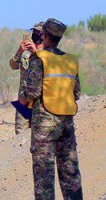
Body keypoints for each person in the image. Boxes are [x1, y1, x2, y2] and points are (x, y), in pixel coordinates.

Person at [19, 18, 83, 200]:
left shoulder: (40, 58)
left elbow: (32, 91)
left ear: (44, 35)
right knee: (70, 172)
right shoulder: (71, 60)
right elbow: (76, 93)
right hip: (67, 124)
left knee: (44, 175)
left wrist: (22, 100)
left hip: (45, 126)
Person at [10, 22, 44, 135]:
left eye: (38, 32)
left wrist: (36, 53)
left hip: (40, 102)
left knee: (39, 135)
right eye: (34, 32)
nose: (35, 34)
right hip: (24, 99)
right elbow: (13, 65)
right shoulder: (25, 52)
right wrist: (20, 51)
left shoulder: (49, 53)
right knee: (20, 135)